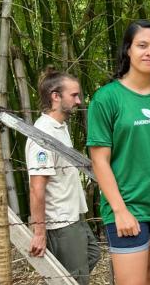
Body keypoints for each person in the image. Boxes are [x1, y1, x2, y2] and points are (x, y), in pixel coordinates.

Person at [87, 20, 150, 284]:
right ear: (128, 49)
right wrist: (119, 210)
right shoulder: (107, 98)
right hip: (127, 204)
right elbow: (100, 160)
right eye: (142, 45)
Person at [26, 68, 99, 285]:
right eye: (74, 95)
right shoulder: (42, 135)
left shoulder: (60, 127)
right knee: (76, 279)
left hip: (75, 214)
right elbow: (36, 188)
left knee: (93, 256)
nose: (79, 101)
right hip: (60, 222)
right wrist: (39, 232)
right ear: (55, 97)